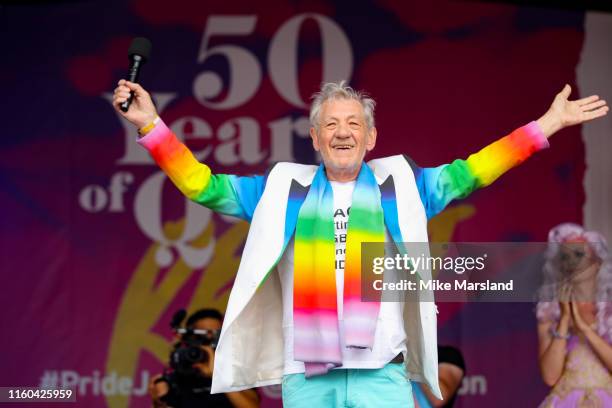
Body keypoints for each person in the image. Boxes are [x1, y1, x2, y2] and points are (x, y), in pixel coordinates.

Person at [113, 78, 607, 407]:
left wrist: (548, 125)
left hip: (382, 375)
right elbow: (203, 186)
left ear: (372, 137)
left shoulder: (403, 185)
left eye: (354, 123)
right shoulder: (282, 189)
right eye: (331, 123)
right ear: (315, 137)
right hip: (306, 376)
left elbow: (473, 171)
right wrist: (151, 126)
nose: (342, 132)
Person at [536, 223, 612, 407]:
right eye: (565, 256)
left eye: (578, 254)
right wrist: (563, 320)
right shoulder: (549, 313)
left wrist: (585, 329)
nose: (571, 262)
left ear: (596, 262)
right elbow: (550, 377)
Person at [149, 308, 260, 408]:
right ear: (188, 337)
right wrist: (158, 403)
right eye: (204, 336)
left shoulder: (234, 373)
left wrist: (217, 375)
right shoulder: (175, 378)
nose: (211, 342)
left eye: (217, 335)